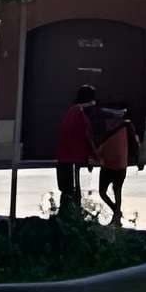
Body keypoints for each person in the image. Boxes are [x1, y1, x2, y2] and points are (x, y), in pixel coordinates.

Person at [53, 86, 98, 216]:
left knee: (67, 192)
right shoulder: (80, 112)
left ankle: (66, 218)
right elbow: (88, 136)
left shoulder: (72, 111)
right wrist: (95, 155)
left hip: (64, 158)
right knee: (73, 192)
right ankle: (73, 220)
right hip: (73, 159)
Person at [94, 91, 135, 225]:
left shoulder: (124, 126)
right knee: (110, 192)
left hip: (113, 164)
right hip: (113, 164)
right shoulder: (124, 126)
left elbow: (134, 143)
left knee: (111, 191)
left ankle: (116, 215)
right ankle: (116, 212)